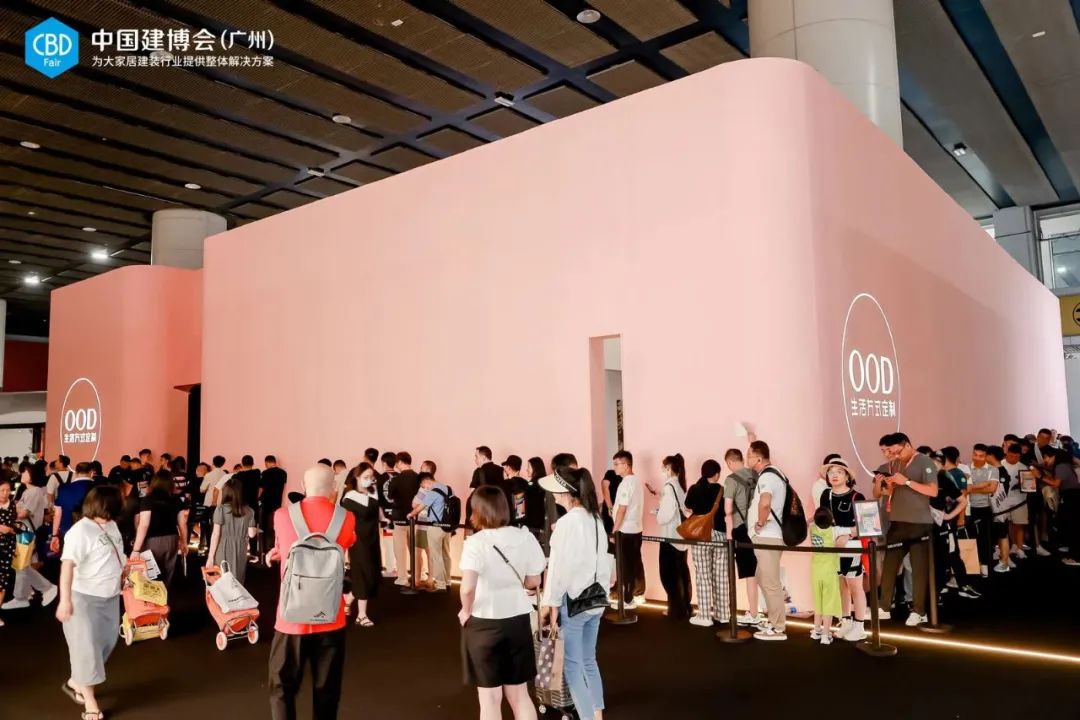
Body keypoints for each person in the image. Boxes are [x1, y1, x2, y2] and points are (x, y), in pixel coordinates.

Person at [266, 465, 356, 720]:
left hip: (290, 619)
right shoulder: (347, 517)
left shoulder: (282, 515)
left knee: (281, 687)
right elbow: (346, 543)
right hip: (331, 617)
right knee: (327, 691)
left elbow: (287, 546)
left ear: (304, 486)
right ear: (334, 489)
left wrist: (279, 553)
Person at [459, 485, 546, 720]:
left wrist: (465, 611)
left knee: (490, 698)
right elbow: (533, 580)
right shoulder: (525, 536)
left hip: (483, 621)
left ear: (477, 510)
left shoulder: (475, 542)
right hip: (518, 619)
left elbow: (467, 588)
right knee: (520, 694)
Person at [540, 467, 611, 720]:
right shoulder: (595, 519)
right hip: (596, 599)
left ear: (566, 492)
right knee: (589, 660)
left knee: (572, 667)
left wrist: (550, 604)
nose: (553, 495)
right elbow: (603, 560)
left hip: (574, 601)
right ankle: (597, 714)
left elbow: (557, 568)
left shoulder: (568, 523)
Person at [56, 485, 125, 720]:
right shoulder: (80, 531)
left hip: (110, 596)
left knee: (106, 643)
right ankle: (90, 703)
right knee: (86, 649)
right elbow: (67, 566)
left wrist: (125, 573)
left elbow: (116, 554)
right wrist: (65, 600)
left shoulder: (111, 525)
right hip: (83, 598)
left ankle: (77, 680)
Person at [877, 433, 937, 627]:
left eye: (897, 452)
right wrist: (888, 485)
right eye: (891, 452)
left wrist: (908, 482)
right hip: (897, 521)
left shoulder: (924, 461)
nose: (895, 455)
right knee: (889, 566)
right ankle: (884, 607)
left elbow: (933, 491)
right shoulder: (894, 464)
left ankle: (919, 611)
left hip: (919, 523)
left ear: (907, 445)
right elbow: (886, 492)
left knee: (918, 568)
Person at [819, 458, 867, 641]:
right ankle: (845, 620)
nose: (834, 475)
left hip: (851, 546)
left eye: (839, 472)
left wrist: (848, 534)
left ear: (847, 476)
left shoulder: (857, 496)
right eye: (831, 472)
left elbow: (867, 524)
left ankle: (859, 625)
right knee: (841, 585)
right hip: (832, 546)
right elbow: (822, 521)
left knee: (855, 586)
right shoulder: (826, 495)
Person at [746, 440, 789, 640]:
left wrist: (760, 523)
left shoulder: (767, 477)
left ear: (758, 458)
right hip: (768, 536)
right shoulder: (773, 474)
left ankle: (778, 627)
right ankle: (773, 621)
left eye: (749, 456)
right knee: (763, 578)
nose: (747, 459)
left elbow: (765, 503)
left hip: (768, 536)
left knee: (770, 581)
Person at [4, 470, 57, 611]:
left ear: (32, 476)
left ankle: (42, 589)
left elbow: (23, 513)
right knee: (21, 565)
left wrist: (10, 510)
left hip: (25, 532)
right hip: (23, 531)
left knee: (21, 565)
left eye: (26, 472)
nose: (22, 474)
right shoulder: (29, 492)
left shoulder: (34, 492)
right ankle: (25, 594)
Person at [684, 459, 727, 627]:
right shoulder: (721, 489)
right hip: (720, 533)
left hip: (701, 534)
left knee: (703, 575)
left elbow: (687, 506)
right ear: (716, 474)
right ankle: (723, 614)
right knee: (721, 575)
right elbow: (727, 510)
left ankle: (704, 616)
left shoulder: (694, 488)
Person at [340, 463, 381, 626]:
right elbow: (345, 522)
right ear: (357, 477)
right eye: (365, 477)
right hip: (357, 541)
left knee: (372, 575)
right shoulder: (349, 497)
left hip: (373, 539)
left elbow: (378, 513)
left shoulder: (373, 492)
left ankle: (348, 598)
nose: (369, 480)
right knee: (363, 574)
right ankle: (361, 615)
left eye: (371, 477)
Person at [131, 471, 188, 587]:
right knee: (168, 572)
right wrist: (184, 542)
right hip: (172, 539)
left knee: (150, 574)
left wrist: (136, 549)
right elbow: (182, 524)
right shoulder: (176, 500)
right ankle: (165, 595)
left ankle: (154, 597)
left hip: (152, 541)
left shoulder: (148, 499)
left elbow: (144, 525)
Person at [722, 449, 759, 625]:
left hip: (741, 529)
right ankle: (760, 612)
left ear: (729, 462)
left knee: (750, 573)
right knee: (761, 571)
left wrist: (729, 534)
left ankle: (754, 613)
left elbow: (728, 510)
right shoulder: (755, 474)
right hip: (759, 528)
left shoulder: (731, 480)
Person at [654, 454, 691, 620]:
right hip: (680, 537)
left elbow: (665, 516)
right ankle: (683, 607)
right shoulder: (680, 486)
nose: (662, 470)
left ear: (668, 468)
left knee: (669, 575)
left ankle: (676, 610)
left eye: (663, 467)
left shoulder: (669, 487)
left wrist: (658, 513)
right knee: (681, 572)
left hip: (670, 536)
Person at [611, 450, 645, 607]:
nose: (615, 467)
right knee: (633, 564)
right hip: (636, 529)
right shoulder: (637, 481)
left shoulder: (626, 483)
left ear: (626, 465)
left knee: (626, 567)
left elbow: (622, 509)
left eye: (616, 464)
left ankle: (627, 599)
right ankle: (632, 596)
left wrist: (614, 530)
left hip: (626, 530)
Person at [206, 477, 257, 584]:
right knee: (237, 582)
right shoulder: (249, 511)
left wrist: (210, 557)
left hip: (222, 548)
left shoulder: (220, 509)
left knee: (222, 581)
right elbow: (251, 534)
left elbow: (216, 534)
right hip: (241, 549)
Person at [408, 471, 452, 592]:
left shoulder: (433, 492)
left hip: (435, 526)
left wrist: (411, 514)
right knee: (446, 554)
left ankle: (440, 583)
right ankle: (448, 581)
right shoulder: (448, 488)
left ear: (426, 481)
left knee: (436, 556)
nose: (424, 488)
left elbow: (419, 507)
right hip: (447, 526)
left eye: (423, 485)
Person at [809, 506, 844, 645]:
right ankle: (825, 635)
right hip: (829, 572)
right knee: (828, 603)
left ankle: (816, 630)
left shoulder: (812, 528)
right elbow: (852, 531)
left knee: (818, 602)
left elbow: (810, 521)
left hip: (816, 571)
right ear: (831, 519)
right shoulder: (835, 531)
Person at [388, 452, 419, 588]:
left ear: (400, 462)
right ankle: (418, 576)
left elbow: (390, 496)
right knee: (415, 550)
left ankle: (402, 578)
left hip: (399, 518)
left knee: (400, 551)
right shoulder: (418, 478)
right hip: (416, 519)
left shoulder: (396, 479)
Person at [50, 463, 96, 557]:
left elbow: (58, 514)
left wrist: (54, 535)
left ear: (76, 473)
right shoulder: (98, 488)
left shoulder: (63, 489)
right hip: (93, 535)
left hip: (68, 533)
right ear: (91, 473)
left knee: (68, 562)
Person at [966, 444, 998, 576]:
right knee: (969, 537)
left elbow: (992, 489)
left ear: (986, 456)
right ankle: (972, 567)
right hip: (967, 508)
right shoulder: (966, 468)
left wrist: (972, 487)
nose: (977, 458)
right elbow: (964, 489)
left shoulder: (993, 469)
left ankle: (984, 565)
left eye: (981, 456)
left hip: (984, 507)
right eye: (975, 455)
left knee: (984, 538)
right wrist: (984, 484)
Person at [261, 456, 288, 556]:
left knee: (265, 527)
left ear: (267, 462)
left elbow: (261, 489)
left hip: (266, 503)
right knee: (275, 526)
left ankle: (265, 550)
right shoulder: (283, 473)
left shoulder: (265, 473)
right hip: (277, 503)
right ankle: (275, 548)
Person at [377, 451, 398, 578]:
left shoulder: (380, 479)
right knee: (399, 544)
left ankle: (391, 569)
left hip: (386, 516)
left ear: (384, 463)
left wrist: (381, 517)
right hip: (400, 516)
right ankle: (400, 569)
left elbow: (378, 501)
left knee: (389, 544)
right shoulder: (401, 477)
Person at [0, 477, 16, 626]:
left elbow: (12, 524)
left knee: (3, 581)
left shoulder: (12, 504)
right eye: (2, 490)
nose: (5, 493)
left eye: (7, 490)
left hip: (7, 547)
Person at [523, 457, 548, 538]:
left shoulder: (532, 485)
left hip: (532, 524)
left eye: (529, 467)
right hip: (543, 523)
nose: (527, 469)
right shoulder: (545, 482)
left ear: (535, 468)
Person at [501, 455, 528, 526]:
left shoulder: (505, 484)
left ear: (509, 468)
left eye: (506, 466)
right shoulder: (526, 483)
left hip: (508, 523)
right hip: (524, 523)